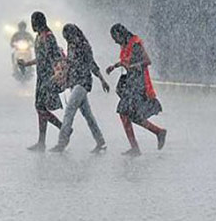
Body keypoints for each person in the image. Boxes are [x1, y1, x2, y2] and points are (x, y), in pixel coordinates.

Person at [106, 24, 166, 156]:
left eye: (115, 38)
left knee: (124, 112)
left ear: (121, 34)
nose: (115, 41)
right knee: (131, 115)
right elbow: (125, 61)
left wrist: (132, 66)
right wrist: (115, 66)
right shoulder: (125, 45)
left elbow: (146, 61)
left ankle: (137, 146)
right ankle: (157, 132)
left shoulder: (135, 44)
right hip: (130, 83)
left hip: (138, 83)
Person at [50, 24, 109, 154]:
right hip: (74, 82)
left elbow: (91, 64)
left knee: (69, 110)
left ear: (73, 34)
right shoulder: (71, 46)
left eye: (68, 37)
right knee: (88, 115)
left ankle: (62, 142)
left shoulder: (84, 46)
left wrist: (102, 79)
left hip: (83, 82)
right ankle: (101, 142)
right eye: (66, 39)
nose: (68, 41)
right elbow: (71, 63)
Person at [18, 11, 63, 151]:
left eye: (34, 21)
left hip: (48, 77)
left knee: (40, 107)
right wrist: (26, 64)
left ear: (39, 22)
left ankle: (64, 128)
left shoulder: (48, 37)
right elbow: (41, 59)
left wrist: (56, 74)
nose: (32, 24)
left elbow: (54, 58)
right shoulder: (38, 37)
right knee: (41, 108)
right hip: (41, 76)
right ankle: (41, 141)